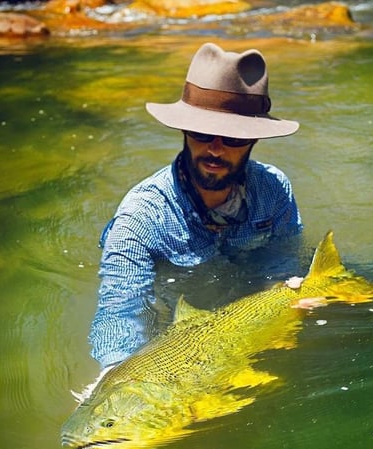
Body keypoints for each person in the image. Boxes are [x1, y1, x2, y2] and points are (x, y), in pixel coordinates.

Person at [88, 42, 303, 369]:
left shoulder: (274, 190)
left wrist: (287, 290)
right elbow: (119, 312)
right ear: (184, 130)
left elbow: (281, 260)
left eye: (233, 137)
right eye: (201, 132)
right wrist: (115, 376)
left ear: (254, 140)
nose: (215, 149)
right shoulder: (140, 217)